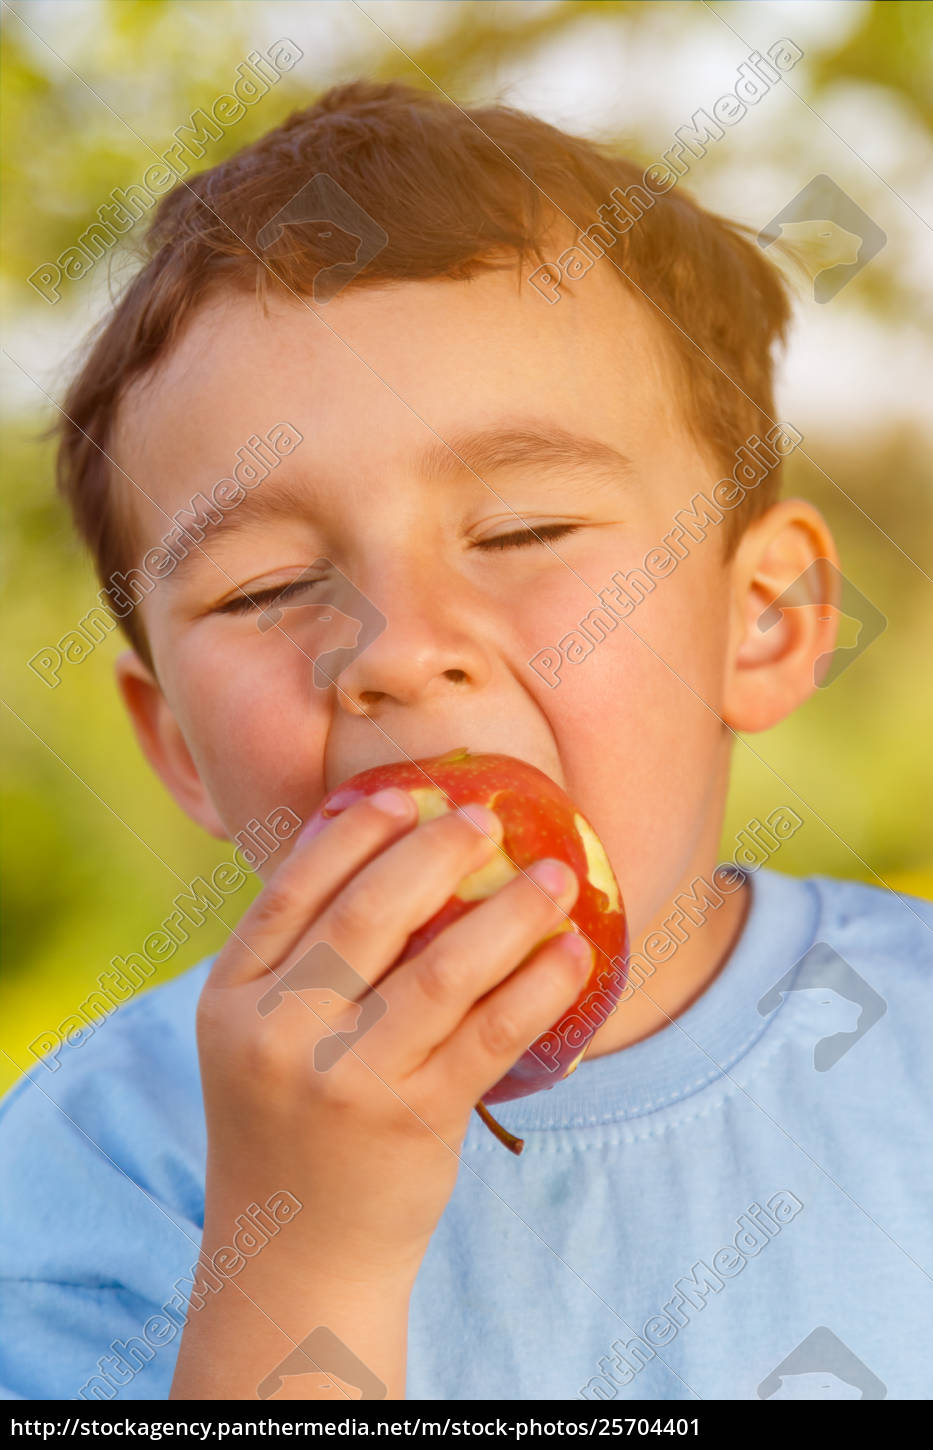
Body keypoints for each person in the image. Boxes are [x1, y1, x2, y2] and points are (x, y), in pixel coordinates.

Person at [2, 81, 930, 1402]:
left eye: (521, 533)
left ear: (763, 621)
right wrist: (303, 1257)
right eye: (265, 588)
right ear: (178, 747)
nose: (391, 644)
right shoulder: (95, 1172)